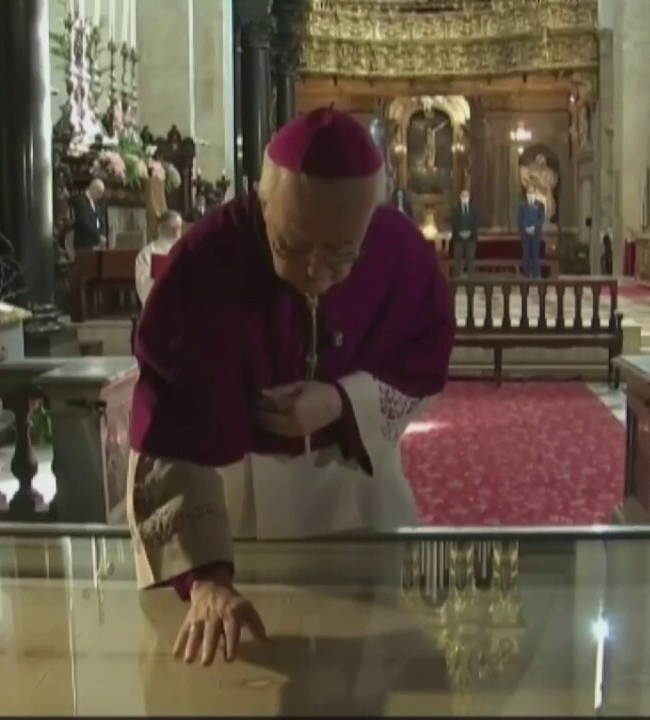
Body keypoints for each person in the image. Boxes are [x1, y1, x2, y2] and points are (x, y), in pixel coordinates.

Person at [126, 107, 455, 666]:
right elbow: (167, 421)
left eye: (340, 253)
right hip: (232, 501)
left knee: (367, 673)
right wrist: (205, 578)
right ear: (262, 200)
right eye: (293, 245)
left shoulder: (398, 251)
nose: (315, 272)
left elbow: (423, 360)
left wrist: (341, 401)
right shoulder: (206, 260)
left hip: (356, 492)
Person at [134, 209, 183, 307]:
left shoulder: (186, 249)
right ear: (160, 228)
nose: (176, 233)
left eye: (179, 228)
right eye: (172, 228)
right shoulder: (147, 253)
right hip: (160, 305)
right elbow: (142, 284)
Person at [71, 178, 109, 255]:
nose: (100, 196)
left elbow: (100, 220)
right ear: (93, 189)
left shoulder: (95, 203)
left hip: (97, 242)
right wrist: (98, 237)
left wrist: (103, 235)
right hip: (85, 243)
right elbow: (84, 222)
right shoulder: (80, 201)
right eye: (99, 192)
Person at [449, 189, 479, 278]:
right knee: (457, 258)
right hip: (458, 238)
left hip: (471, 238)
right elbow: (453, 222)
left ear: (469, 197)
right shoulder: (455, 208)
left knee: (470, 258)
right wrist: (460, 232)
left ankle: (471, 278)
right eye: (463, 196)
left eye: (466, 196)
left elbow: (476, 222)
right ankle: (457, 277)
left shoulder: (474, 208)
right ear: (460, 197)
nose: (465, 198)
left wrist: (469, 232)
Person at [517, 190, 546, 278]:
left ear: (535, 195)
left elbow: (541, 219)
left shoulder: (540, 205)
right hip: (525, 233)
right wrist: (526, 228)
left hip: (536, 233)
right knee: (526, 253)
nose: (530, 196)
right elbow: (519, 219)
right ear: (526, 195)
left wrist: (534, 227)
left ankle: (536, 274)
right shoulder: (522, 206)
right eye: (529, 194)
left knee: (535, 253)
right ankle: (526, 274)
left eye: (532, 194)